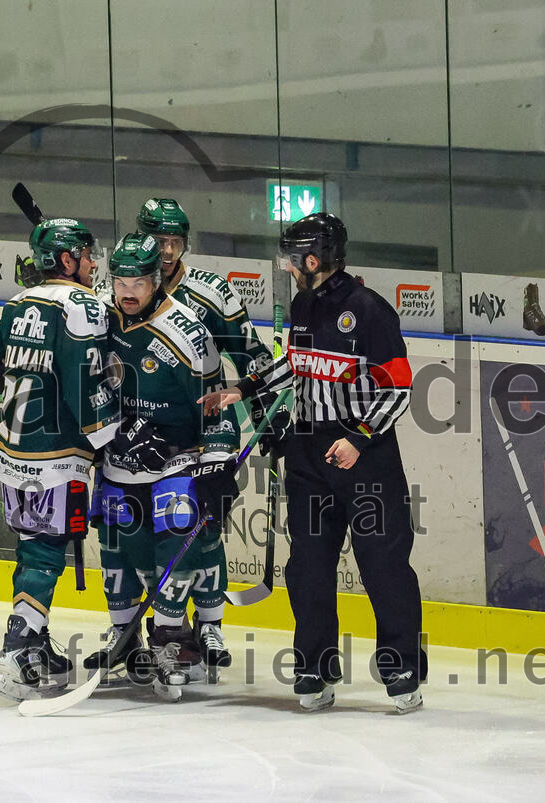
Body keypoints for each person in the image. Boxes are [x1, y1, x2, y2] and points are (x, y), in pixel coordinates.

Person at [200, 212, 427, 714]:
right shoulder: (302, 304)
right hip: (307, 455)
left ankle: (402, 667)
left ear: (313, 258)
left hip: (364, 460)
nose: (285, 266)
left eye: (291, 256)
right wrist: (244, 388)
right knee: (308, 568)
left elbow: (398, 388)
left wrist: (358, 437)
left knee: (383, 566)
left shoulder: (369, 311)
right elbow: (293, 364)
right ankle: (314, 668)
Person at [87, 232, 240, 695]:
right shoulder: (99, 316)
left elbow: (217, 407)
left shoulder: (189, 333)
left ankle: (172, 637)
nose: (128, 291)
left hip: (177, 461)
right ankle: (124, 635)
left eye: (138, 282)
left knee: (176, 544)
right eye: (120, 281)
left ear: (158, 280)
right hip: (118, 460)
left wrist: (217, 464)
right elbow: (82, 379)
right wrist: (115, 431)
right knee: (117, 546)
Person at [132, 197, 279, 670]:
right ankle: (154, 628)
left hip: (208, 425)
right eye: (159, 240)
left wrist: (266, 418)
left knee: (204, 521)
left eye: (175, 241)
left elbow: (250, 355)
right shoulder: (124, 285)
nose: (168, 250)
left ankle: (209, 625)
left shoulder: (210, 291)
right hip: (144, 428)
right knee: (137, 528)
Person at [0, 218, 122, 701]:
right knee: (45, 550)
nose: (93, 260)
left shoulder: (16, 303)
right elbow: (83, 383)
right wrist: (108, 431)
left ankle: (34, 642)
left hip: (9, 450)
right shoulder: (83, 306)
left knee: (32, 545)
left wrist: (30, 389)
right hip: (56, 457)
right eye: (84, 252)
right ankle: (17, 649)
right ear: (66, 260)